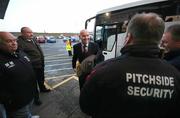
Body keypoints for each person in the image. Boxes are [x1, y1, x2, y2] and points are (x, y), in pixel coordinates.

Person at [79, 13, 180, 118]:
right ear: (159, 40)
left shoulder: (102, 71)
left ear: (128, 37)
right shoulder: (175, 75)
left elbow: (86, 106)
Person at [0, 32, 38, 118]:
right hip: (17, 102)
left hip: (30, 95)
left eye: (15, 40)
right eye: (9, 41)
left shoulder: (20, 53)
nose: (14, 43)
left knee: (28, 112)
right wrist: (9, 100)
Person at [17, 27, 51, 106]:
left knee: (41, 78)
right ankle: (36, 98)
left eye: (31, 32)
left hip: (40, 64)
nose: (31, 34)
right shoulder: (20, 43)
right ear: (22, 33)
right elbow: (21, 56)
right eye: (28, 32)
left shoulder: (34, 39)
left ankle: (42, 88)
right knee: (33, 83)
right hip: (32, 67)